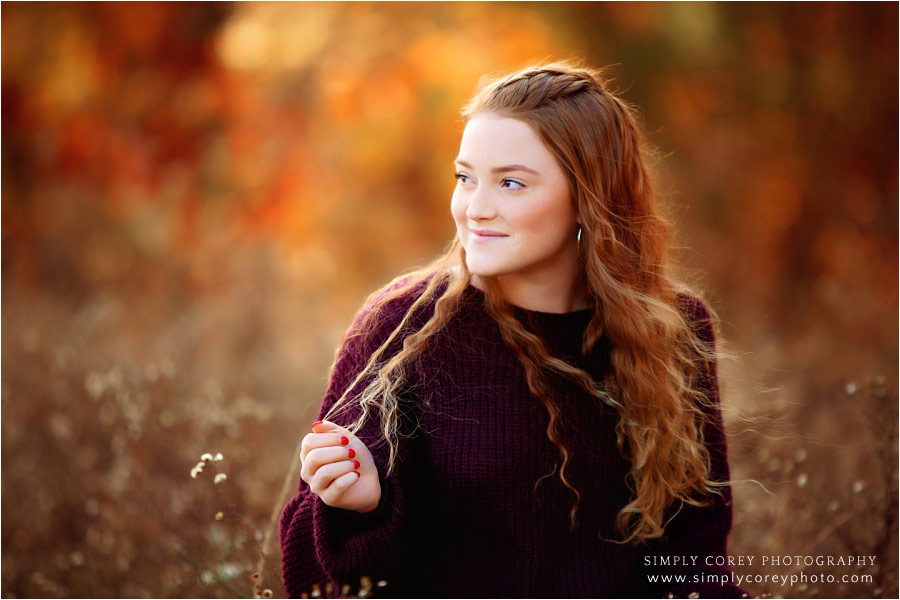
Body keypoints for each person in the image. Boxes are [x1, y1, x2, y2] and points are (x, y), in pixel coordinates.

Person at [280, 62, 748, 599]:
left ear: (589, 196)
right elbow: (311, 582)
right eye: (464, 177)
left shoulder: (673, 329)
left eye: (510, 183)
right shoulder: (401, 329)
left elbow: (695, 565)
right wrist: (361, 508)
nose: (475, 209)